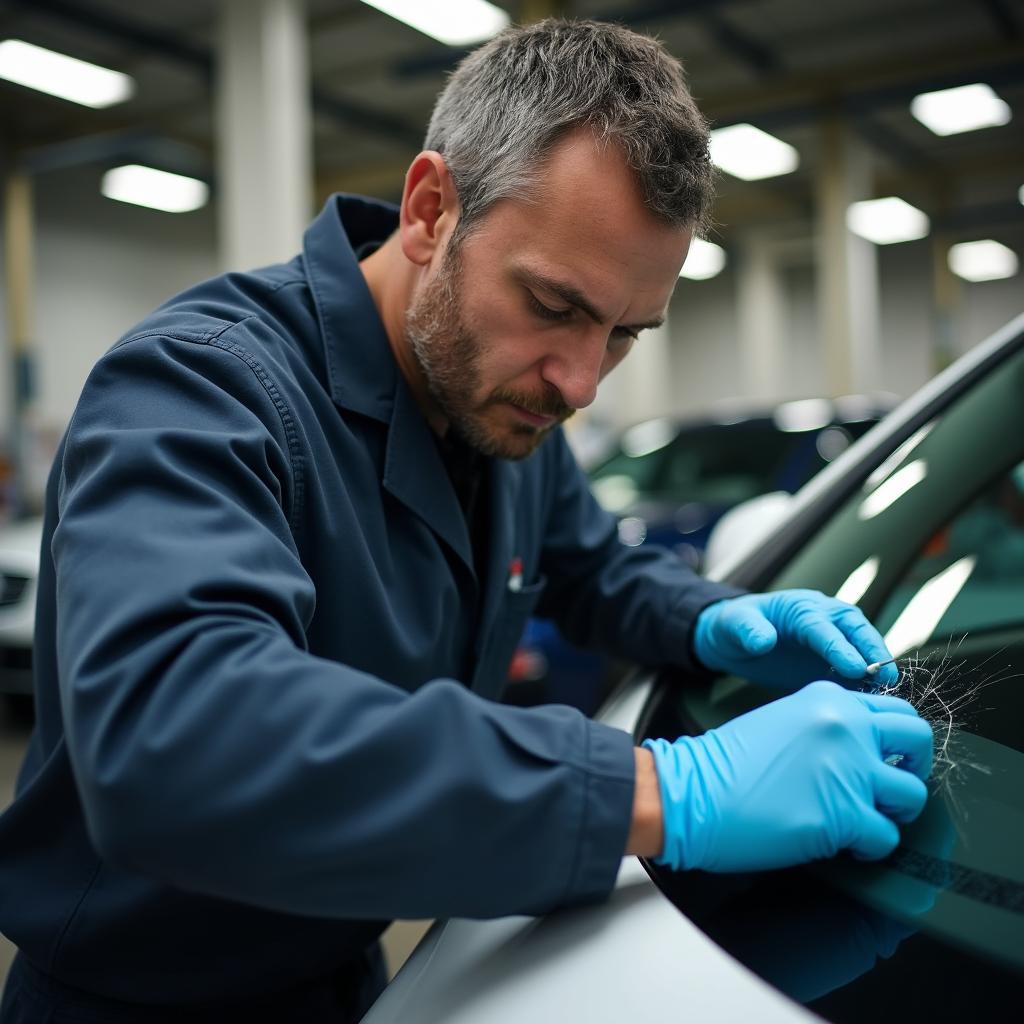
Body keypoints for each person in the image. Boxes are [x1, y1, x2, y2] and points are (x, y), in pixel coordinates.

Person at [0, 19, 932, 1024]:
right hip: (136, 1002)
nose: (580, 380)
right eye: (551, 303)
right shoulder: (201, 385)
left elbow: (589, 569)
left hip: (346, 972)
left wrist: (710, 616)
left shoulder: (501, 406)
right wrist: (668, 790)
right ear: (430, 208)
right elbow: (172, 736)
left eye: (624, 333)